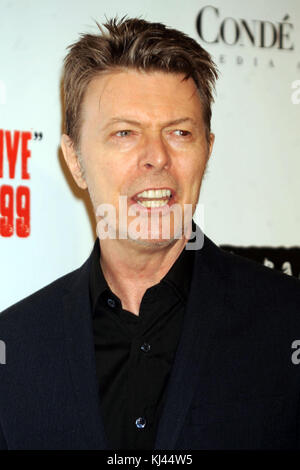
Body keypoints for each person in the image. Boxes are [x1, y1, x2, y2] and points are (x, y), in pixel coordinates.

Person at [0, 17, 300, 451]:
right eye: (124, 133)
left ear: (207, 150)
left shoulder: (287, 320)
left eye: (180, 132)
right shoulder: (15, 346)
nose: (156, 157)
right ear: (75, 160)